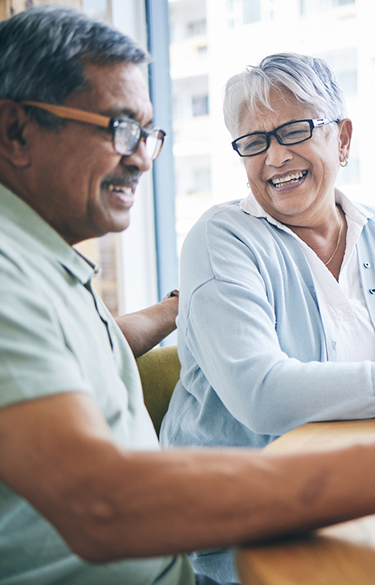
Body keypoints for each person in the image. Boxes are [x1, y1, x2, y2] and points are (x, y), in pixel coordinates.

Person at [1, 10, 375, 585]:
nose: (142, 158)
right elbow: (100, 504)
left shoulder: (47, 265)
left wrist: (181, 309)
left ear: (341, 136)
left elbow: (87, 346)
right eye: (118, 127)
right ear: (16, 133)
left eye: (147, 134)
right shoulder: (10, 274)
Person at [160, 53, 375, 579]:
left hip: (348, 503)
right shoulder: (222, 238)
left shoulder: (369, 229)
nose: (274, 157)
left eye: (294, 130)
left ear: (342, 138)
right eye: (254, 142)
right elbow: (263, 394)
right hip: (244, 538)